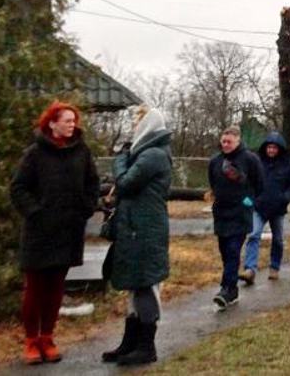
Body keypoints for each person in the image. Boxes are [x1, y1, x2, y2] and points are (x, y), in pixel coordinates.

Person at [10, 100, 99, 366]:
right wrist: (36, 212)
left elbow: (92, 183)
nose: (72, 125)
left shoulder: (82, 152)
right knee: (34, 288)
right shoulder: (35, 153)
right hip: (39, 232)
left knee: (55, 288)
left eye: (74, 121)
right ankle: (31, 341)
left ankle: (48, 338)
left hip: (68, 230)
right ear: (52, 123)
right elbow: (18, 188)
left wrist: (85, 208)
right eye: (67, 120)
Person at [100, 107, 172, 366]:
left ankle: (146, 346)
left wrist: (120, 160)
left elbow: (127, 183)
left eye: (137, 121)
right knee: (134, 286)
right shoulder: (145, 153)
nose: (133, 126)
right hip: (135, 228)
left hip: (146, 230)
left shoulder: (153, 155)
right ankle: (129, 343)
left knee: (146, 286)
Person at [207, 125, 263, 309]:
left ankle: (226, 288)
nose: (226, 145)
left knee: (232, 250)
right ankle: (232, 290)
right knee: (225, 251)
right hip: (221, 213)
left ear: (238, 141)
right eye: (223, 141)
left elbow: (259, 185)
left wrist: (249, 201)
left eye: (229, 142)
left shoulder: (250, 159)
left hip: (240, 213)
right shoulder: (215, 161)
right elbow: (213, 183)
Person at [242, 132, 290, 282]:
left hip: (278, 208)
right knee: (254, 235)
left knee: (278, 239)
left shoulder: (288, 165)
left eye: (274, 148)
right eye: (269, 147)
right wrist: (250, 199)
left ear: (279, 149)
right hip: (259, 206)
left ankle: (274, 267)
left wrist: (285, 198)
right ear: (265, 148)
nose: (271, 150)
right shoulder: (257, 162)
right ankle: (250, 269)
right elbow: (248, 182)